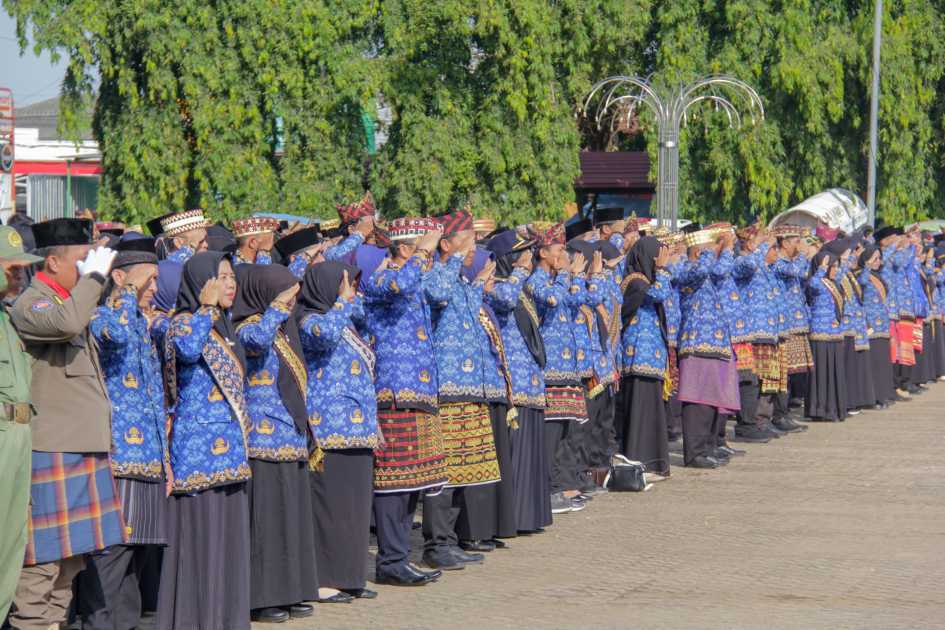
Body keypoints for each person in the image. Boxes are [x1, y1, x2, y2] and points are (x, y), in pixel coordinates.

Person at [9, 218, 124, 630]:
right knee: (40, 564)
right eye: (81, 259)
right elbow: (66, 324)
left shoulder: (70, 300)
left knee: (70, 565)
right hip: (50, 450)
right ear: (53, 262)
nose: (90, 268)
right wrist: (94, 279)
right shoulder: (32, 303)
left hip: (80, 448)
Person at [76, 236, 168, 630]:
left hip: (149, 460)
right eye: (148, 279)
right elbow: (113, 338)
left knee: (137, 557)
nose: (154, 288)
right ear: (119, 278)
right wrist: (128, 294)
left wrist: (164, 459)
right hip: (118, 459)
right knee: (111, 554)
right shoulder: (102, 317)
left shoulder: (142, 323)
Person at [158, 251, 252, 630]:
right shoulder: (182, 323)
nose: (230, 284)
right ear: (201, 281)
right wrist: (206, 309)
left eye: (232, 277)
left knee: (228, 542)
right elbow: (186, 351)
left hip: (230, 453)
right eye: (221, 277)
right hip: (198, 453)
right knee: (203, 541)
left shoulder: (224, 325)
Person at [362, 217, 447, 586]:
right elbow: (401, 284)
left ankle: (399, 559)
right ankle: (390, 561)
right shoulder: (382, 278)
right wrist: (424, 252)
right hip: (393, 392)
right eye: (422, 248)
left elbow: (441, 291)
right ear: (404, 248)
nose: (428, 256)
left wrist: (438, 257)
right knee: (393, 483)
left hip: (420, 391)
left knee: (414, 480)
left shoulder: (418, 275)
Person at [231, 264, 318, 623]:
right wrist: (278, 307)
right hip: (262, 438)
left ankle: (291, 589)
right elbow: (255, 343)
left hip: (290, 436)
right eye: (285, 295)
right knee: (267, 522)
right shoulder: (246, 326)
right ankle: (264, 596)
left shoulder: (280, 327)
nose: (291, 302)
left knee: (290, 520)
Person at [421, 209, 502, 571]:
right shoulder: (434, 273)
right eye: (466, 241)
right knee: (444, 470)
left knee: (465, 468)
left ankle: (451, 539)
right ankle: (436, 544)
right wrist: (454, 258)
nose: (472, 249)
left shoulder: (458, 278)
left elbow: (467, 310)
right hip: (447, 388)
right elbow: (436, 293)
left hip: (470, 387)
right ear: (445, 244)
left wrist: (478, 282)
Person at [297, 261, 382, 602]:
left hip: (358, 429)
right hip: (328, 430)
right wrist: (343, 303)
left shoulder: (343, 318)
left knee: (354, 509)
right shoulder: (308, 319)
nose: (351, 291)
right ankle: (323, 580)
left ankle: (350, 576)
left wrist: (372, 422)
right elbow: (326, 337)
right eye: (345, 284)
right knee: (330, 508)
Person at [485, 229, 552, 534]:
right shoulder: (496, 287)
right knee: (516, 454)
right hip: (514, 383)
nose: (528, 258)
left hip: (532, 382)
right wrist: (521, 272)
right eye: (521, 253)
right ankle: (515, 518)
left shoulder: (520, 286)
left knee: (532, 453)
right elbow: (505, 301)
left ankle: (531, 516)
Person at [524, 222, 589, 513]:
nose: (563, 255)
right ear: (543, 253)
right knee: (549, 438)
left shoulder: (556, 280)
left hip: (567, 369)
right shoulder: (535, 280)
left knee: (564, 435)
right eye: (559, 250)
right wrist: (564, 274)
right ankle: (546, 492)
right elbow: (553, 299)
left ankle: (560, 486)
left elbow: (577, 300)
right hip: (549, 371)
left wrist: (577, 276)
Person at [0, 227, 43, 622]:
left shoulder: (8, 316)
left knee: (12, 543)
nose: (20, 276)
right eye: (11, 269)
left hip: (19, 435)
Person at [674, 227, 741, 468]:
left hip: (716, 343)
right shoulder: (685, 269)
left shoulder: (709, 273)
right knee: (697, 401)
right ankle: (694, 453)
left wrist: (723, 248)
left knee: (712, 400)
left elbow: (722, 271)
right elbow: (706, 270)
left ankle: (707, 447)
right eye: (709, 249)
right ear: (698, 251)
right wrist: (717, 250)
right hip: (697, 342)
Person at [618, 236, 673, 475]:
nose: (659, 262)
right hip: (638, 357)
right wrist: (662, 270)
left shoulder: (645, 280)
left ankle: (653, 462)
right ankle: (637, 461)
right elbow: (659, 294)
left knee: (652, 413)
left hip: (651, 358)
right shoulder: (635, 281)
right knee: (639, 412)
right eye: (656, 257)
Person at [805, 248, 848, 422]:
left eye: (837, 266)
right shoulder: (818, 282)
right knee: (821, 374)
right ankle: (819, 409)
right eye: (833, 266)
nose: (836, 269)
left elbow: (843, 273)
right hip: (820, 333)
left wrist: (846, 256)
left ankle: (834, 409)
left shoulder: (835, 283)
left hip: (835, 333)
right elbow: (812, 284)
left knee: (835, 372)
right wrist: (821, 267)